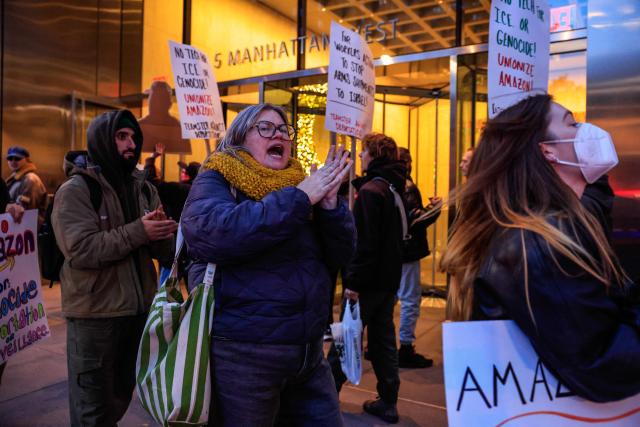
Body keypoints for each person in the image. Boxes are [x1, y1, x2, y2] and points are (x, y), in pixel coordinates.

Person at [441, 94, 640, 402]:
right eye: (572, 123)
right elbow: (601, 364)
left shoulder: (543, 227)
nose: (587, 129)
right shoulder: (540, 243)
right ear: (547, 151)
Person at [181, 103, 355, 426]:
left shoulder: (304, 184)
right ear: (240, 137)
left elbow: (341, 255)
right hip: (244, 356)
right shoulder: (218, 177)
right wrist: (300, 199)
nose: (278, 134)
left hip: (308, 354)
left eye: (283, 130)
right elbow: (213, 233)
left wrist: (331, 208)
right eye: (265, 128)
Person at [52, 110, 176, 426]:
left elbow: (161, 251)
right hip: (95, 317)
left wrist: (165, 235)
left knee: (120, 398)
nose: (130, 144)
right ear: (102, 140)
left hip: (137, 313)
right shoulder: (77, 190)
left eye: (134, 137)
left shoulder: (143, 187)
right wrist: (140, 231)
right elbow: (81, 249)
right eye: (122, 136)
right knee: (93, 409)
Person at [329, 133, 405, 424]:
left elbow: (365, 244)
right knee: (383, 340)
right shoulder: (393, 187)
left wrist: (353, 284)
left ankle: (324, 397)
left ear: (373, 154)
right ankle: (388, 400)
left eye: (362, 152)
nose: (359, 157)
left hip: (367, 282)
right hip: (387, 280)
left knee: (345, 340)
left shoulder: (372, 192)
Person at [396, 147, 441, 368]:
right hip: (408, 251)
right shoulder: (408, 187)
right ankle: (405, 347)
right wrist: (436, 209)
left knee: (391, 299)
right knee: (409, 300)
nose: (410, 164)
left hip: (392, 252)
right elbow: (416, 220)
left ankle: (375, 346)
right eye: (407, 160)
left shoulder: (386, 184)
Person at [5, 146, 47, 226]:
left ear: (27, 159)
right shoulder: (15, 178)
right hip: (18, 227)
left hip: (27, 228)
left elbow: (26, 210)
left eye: (17, 158)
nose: (13, 161)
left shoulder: (30, 179)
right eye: (10, 158)